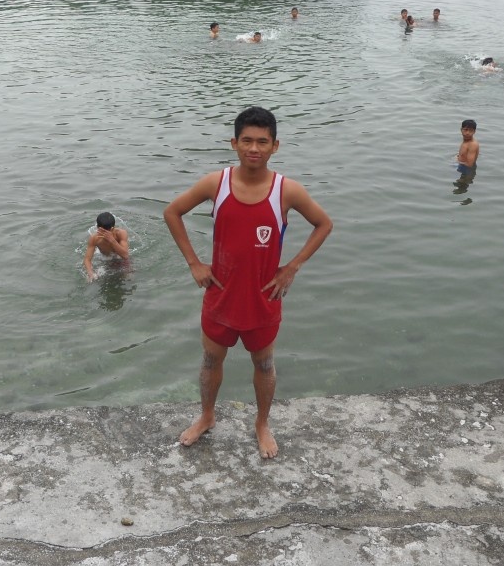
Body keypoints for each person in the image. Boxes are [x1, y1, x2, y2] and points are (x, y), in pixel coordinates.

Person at [163, 106, 333, 459]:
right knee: (211, 361)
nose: (254, 148)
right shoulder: (216, 184)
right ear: (234, 143)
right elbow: (172, 212)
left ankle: (262, 423)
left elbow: (324, 224)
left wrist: (292, 267)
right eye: (247, 141)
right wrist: (194, 263)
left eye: (262, 142)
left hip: (263, 299)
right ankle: (207, 416)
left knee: (265, 365)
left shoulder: (287, 190)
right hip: (220, 296)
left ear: (275, 146)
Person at [83, 211, 129, 282]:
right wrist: (90, 273)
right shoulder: (94, 238)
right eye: (102, 231)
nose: (104, 234)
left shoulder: (121, 233)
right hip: (106, 260)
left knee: (128, 277)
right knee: (99, 280)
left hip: (121, 258)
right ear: (97, 228)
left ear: (113, 228)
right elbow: (87, 259)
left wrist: (112, 240)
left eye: (107, 231)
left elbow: (125, 256)